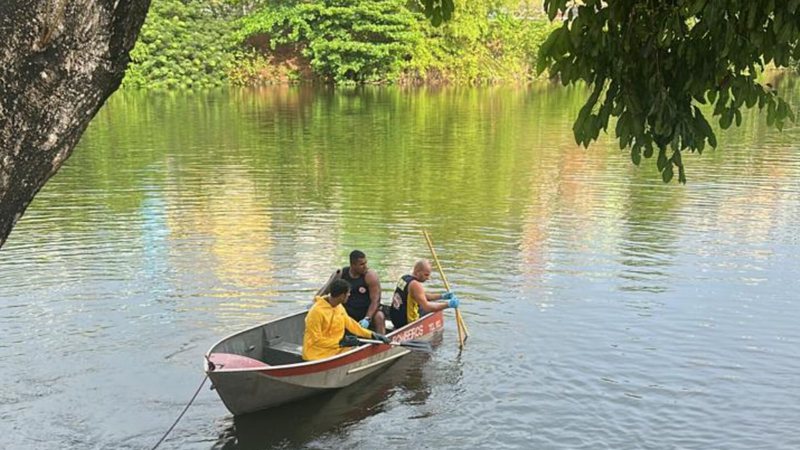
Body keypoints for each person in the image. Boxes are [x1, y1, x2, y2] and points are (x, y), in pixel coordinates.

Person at [303, 279, 390, 361]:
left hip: (337, 350)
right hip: (317, 354)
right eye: (348, 293)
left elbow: (351, 325)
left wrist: (372, 335)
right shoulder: (316, 313)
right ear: (342, 295)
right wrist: (341, 342)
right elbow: (316, 340)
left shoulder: (339, 306)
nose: (349, 295)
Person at [316, 250, 386, 334]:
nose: (365, 266)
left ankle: (381, 343)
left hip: (366, 312)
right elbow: (326, 290)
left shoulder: (370, 276)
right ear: (353, 265)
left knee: (379, 316)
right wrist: (316, 303)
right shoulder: (341, 274)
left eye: (365, 263)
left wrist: (367, 318)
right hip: (347, 312)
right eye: (362, 264)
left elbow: (375, 301)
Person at [389, 259, 459, 329]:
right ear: (417, 272)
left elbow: (422, 296)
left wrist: (442, 296)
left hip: (394, 318)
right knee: (434, 310)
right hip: (404, 322)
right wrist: (448, 305)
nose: (428, 278)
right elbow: (427, 307)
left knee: (430, 305)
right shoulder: (415, 285)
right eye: (426, 275)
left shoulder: (404, 278)